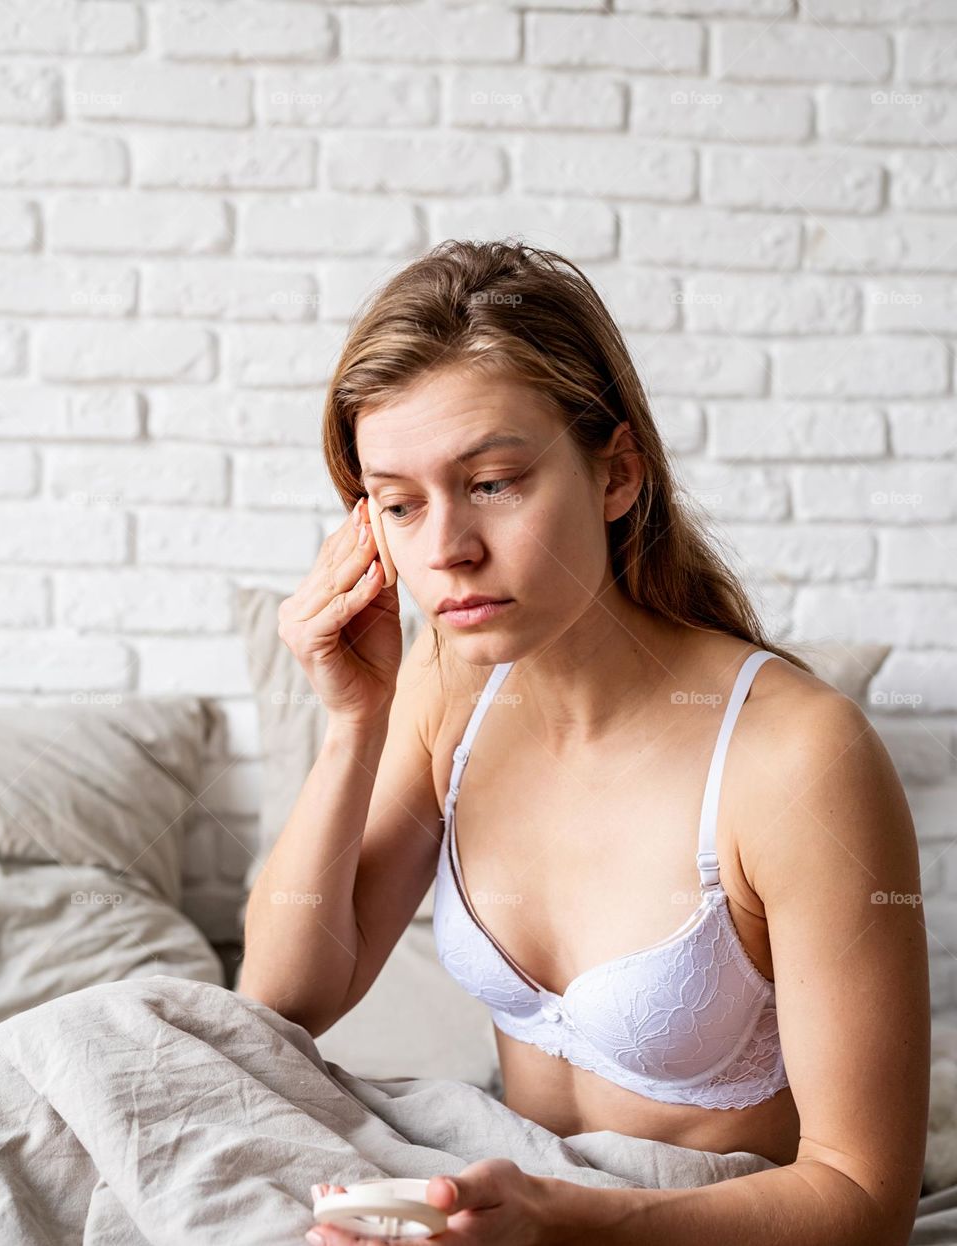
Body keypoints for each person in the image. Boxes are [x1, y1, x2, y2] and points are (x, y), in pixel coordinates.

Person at [240, 239, 929, 1245]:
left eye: (494, 482)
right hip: (496, 1186)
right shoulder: (444, 686)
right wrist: (354, 723)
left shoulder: (796, 756)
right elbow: (283, 1001)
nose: (446, 551)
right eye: (399, 502)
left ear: (615, 473)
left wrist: (568, 1222)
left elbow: (864, 1199)